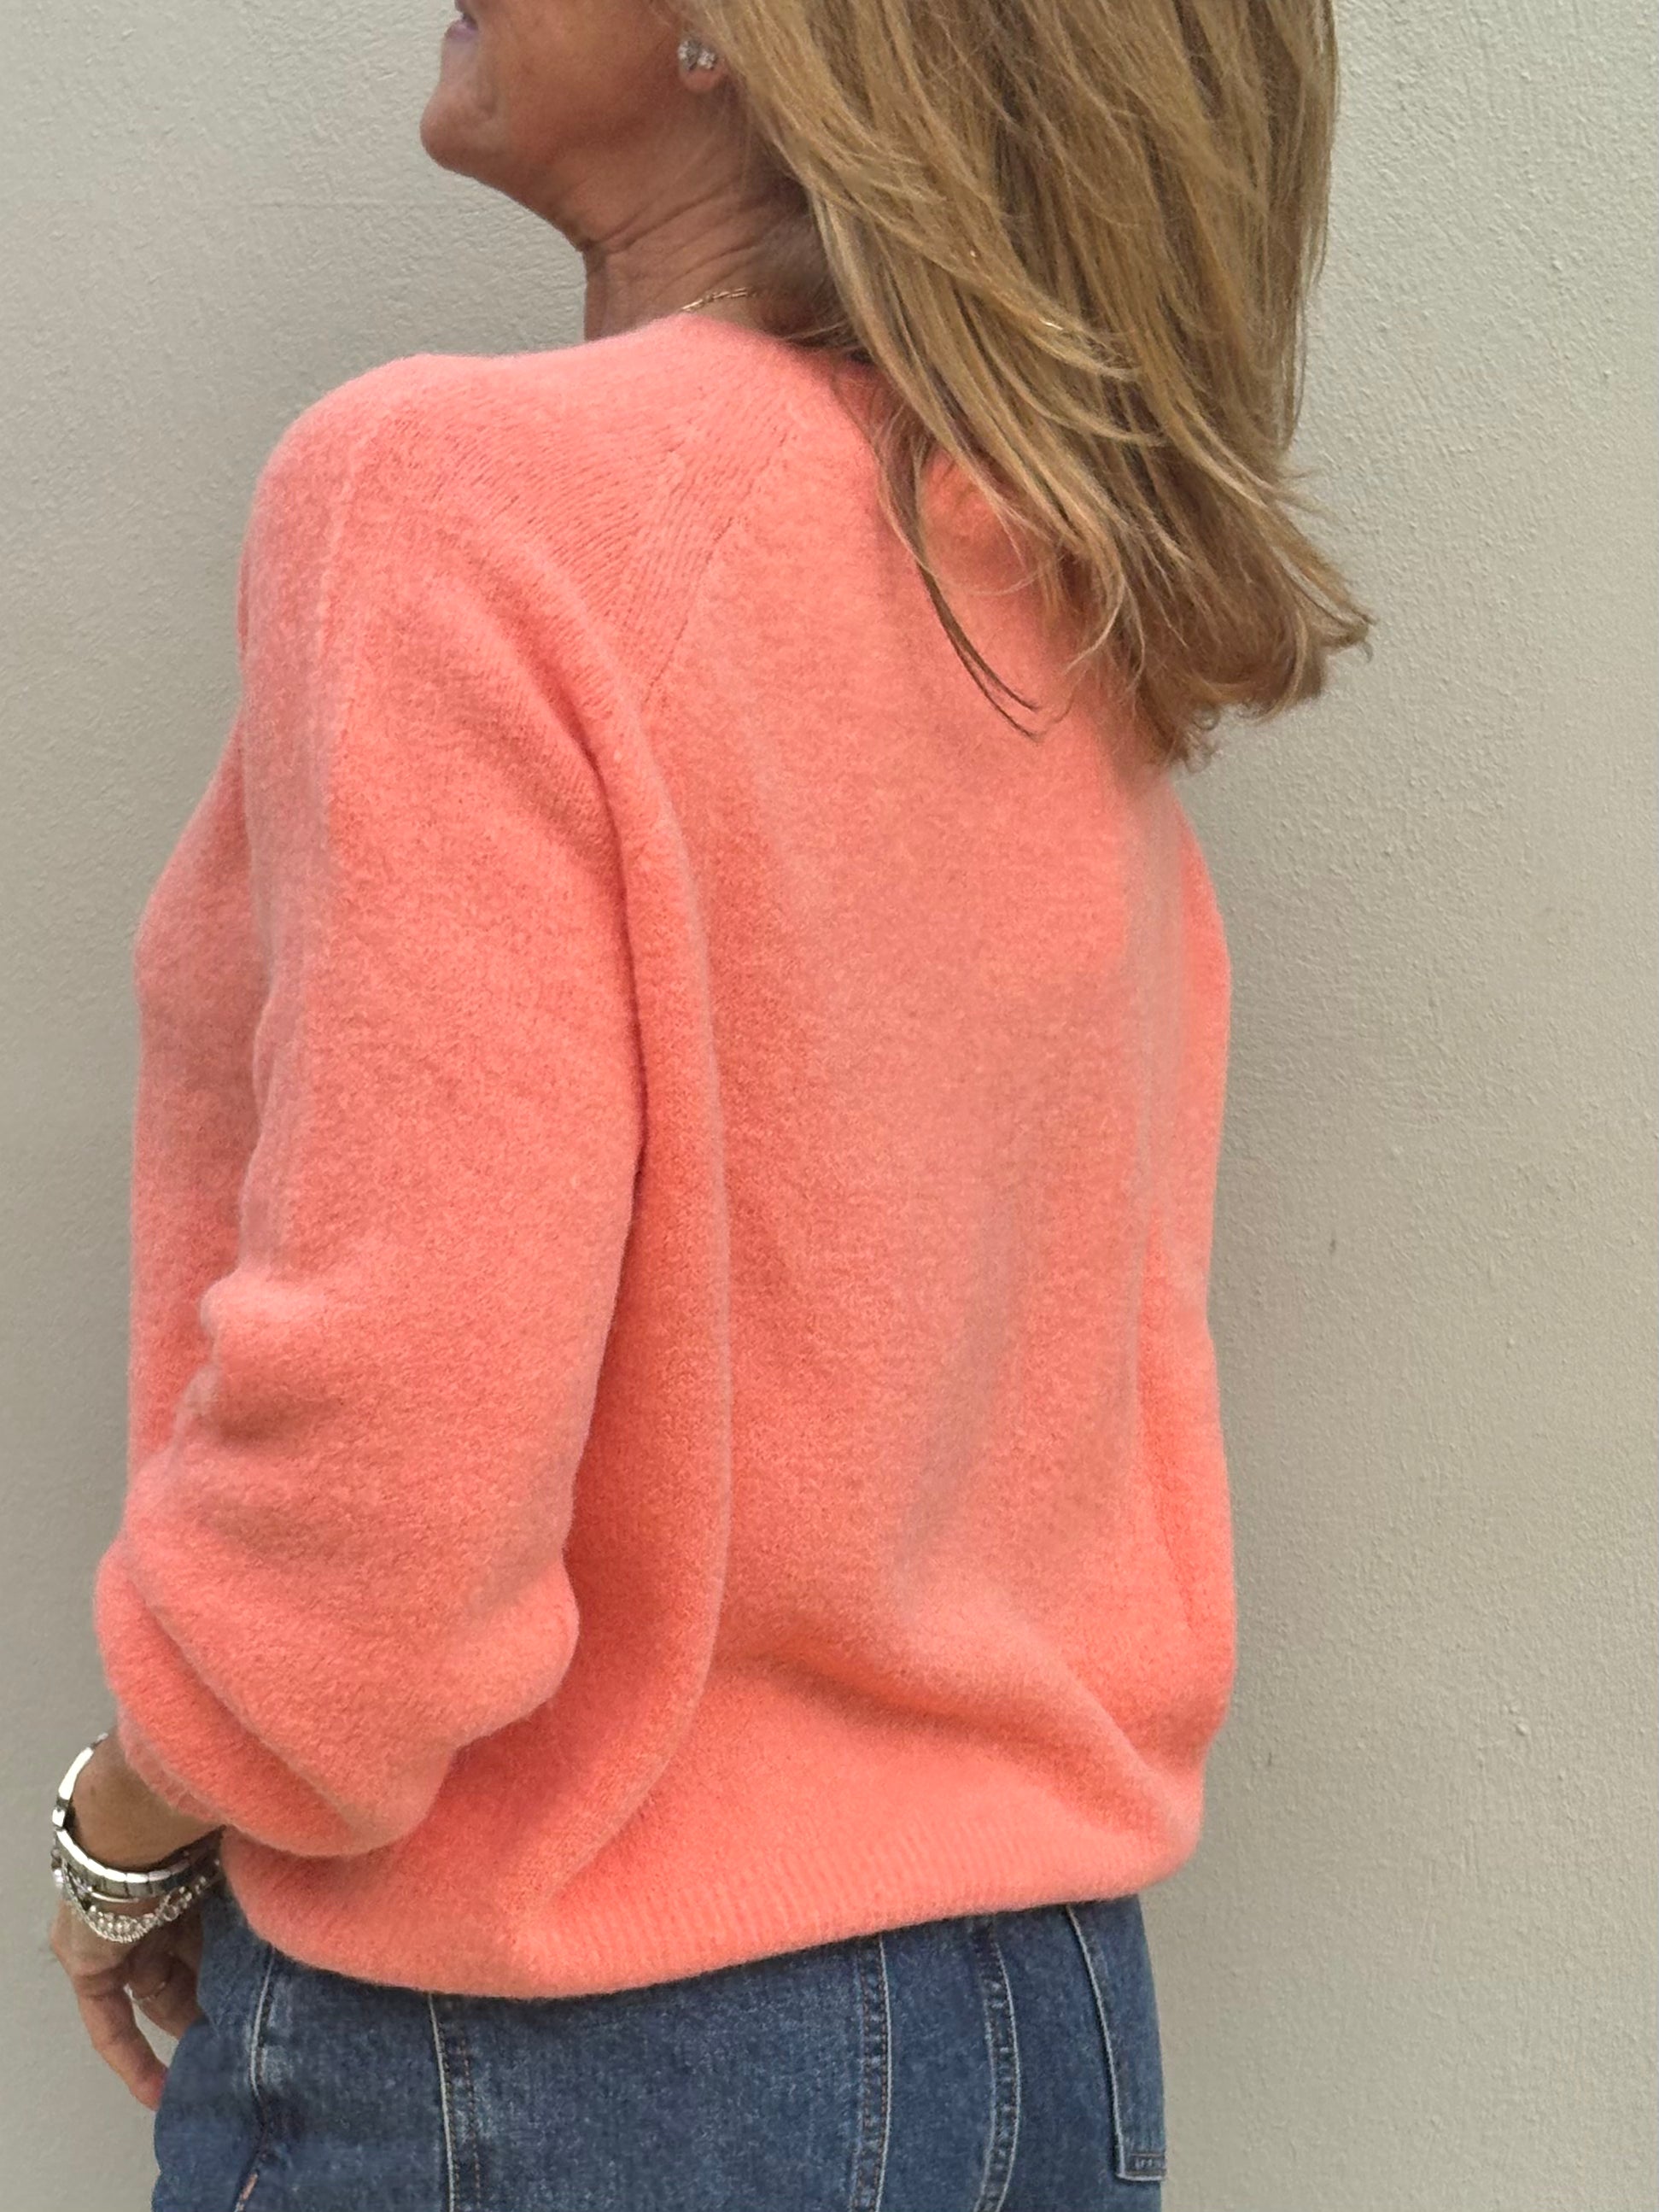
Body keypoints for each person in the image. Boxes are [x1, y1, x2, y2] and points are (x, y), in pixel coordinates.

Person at [48, 1, 1372, 2205]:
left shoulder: (455, 505)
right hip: (1046, 2041)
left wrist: (132, 1815)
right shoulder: (1045, 592)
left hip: (560, 2054)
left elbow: (397, 1470)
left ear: (730, 32)